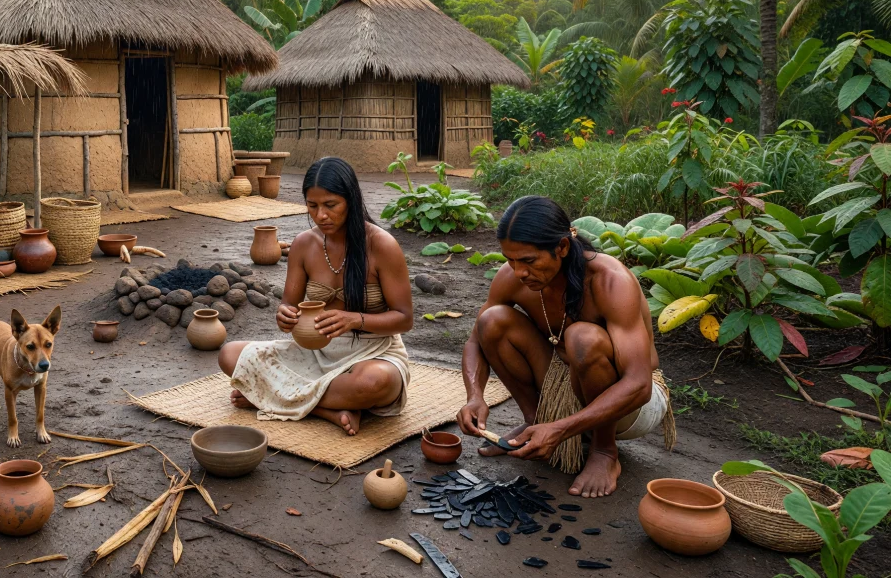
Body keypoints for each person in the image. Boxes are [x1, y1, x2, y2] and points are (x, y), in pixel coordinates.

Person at [456, 195, 674, 498]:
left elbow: (639, 385)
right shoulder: (513, 277)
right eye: (510, 260)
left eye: (529, 261)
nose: (518, 272)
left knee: (582, 337)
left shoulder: (609, 281)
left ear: (562, 246)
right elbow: (474, 342)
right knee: (492, 321)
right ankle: (536, 423)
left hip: (631, 406)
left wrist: (561, 430)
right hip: (566, 387)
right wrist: (475, 397)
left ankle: (604, 451)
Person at [218, 157, 414, 436]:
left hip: (372, 354)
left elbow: (404, 319)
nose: (321, 215)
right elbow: (289, 304)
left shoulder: (381, 245)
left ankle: (269, 399)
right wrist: (285, 314)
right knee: (230, 355)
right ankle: (329, 410)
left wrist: (355, 320)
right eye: (312, 206)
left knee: (373, 383)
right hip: (314, 354)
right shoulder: (303, 244)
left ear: (351, 200)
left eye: (330, 205)